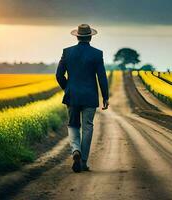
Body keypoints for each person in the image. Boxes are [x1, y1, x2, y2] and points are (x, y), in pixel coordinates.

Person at [56, 24, 109, 173]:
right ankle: (83, 161)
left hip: (72, 95)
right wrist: (105, 96)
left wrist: (67, 88)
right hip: (90, 96)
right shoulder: (97, 54)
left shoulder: (67, 52)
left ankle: (75, 151)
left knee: (73, 125)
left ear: (77, 36)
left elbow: (59, 75)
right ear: (90, 37)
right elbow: (102, 77)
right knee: (87, 127)